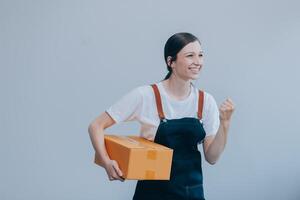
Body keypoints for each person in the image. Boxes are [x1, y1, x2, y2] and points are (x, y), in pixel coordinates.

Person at [88, 32, 235, 200]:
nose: (198, 62)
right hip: (152, 194)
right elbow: (96, 126)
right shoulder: (145, 95)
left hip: (191, 194)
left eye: (200, 55)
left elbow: (212, 157)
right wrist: (107, 162)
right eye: (190, 56)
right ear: (170, 61)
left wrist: (225, 123)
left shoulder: (205, 101)